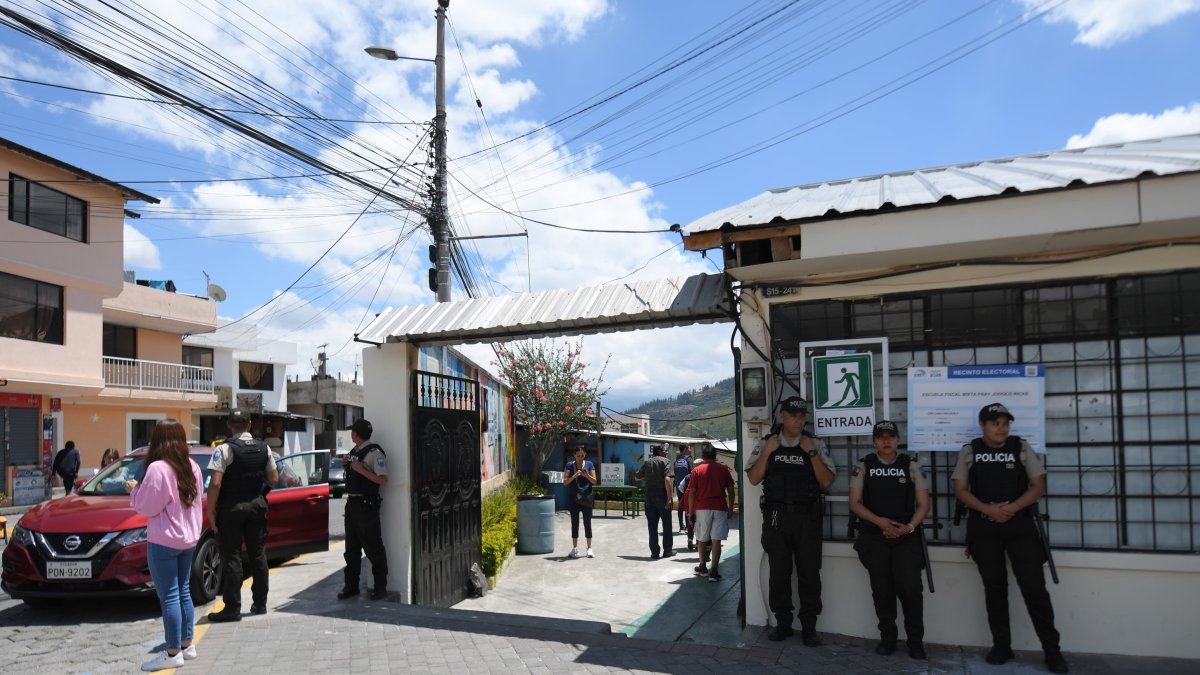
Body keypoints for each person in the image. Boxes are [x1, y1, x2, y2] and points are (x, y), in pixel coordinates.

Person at [953, 403, 1068, 674]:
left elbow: (1038, 485)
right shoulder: (970, 450)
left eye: (1005, 423)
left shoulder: (1020, 447)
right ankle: (1001, 646)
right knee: (995, 589)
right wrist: (989, 509)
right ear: (983, 425)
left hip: (1020, 526)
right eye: (996, 423)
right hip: (984, 527)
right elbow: (960, 489)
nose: (1002, 428)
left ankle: (1052, 651)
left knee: (1034, 588)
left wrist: (1012, 508)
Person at [746, 396, 835, 646]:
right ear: (782, 416)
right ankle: (783, 623)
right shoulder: (766, 443)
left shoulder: (814, 443)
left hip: (807, 517)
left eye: (802, 415)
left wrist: (812, 454)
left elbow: (827, 482)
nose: (798, 419)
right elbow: (753, 478)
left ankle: (809, 627)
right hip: (777, 518)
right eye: (793, 415)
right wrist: (768, 453)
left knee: (809, 574)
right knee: (779, 574)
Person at [849, 420, 929, 660]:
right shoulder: (864, 465)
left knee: (911, 589)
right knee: (882, 591)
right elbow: (854, 503)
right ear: (874, 441)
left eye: (890, 437)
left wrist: (908, 528)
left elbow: (924, 504)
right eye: (881, 437)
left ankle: (915, 642)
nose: (886, 441)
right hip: (875, 536)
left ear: (898, 440)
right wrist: (880, 522)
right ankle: (888, 639)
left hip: (906, 536)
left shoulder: (912, 465)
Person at [126, 419, 203, 671]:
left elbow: (147, 506)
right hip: (188, 539)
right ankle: (186, 644)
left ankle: (172, 653)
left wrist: (134, 491)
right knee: (183, 592)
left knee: (169, 595)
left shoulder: (158, 468)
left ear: (157, 440)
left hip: (164, 540)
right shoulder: (192, 466)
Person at [205, 408, 277, 622]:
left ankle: (232, 608)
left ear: (228, 425)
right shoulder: (264, 448)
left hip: (232, 509)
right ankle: (261, 603)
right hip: (256, 507)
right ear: (249, 425)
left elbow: (216, 483)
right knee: (258, 555)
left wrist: (210, 511)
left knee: (232, 557)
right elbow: (273, 478)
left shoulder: (224, 449)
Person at [339, 418, 390, 601]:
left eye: (352, 431)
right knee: (351, 549)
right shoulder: (355, 452)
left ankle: (380, 587)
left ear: (356, 434)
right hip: (352, 505)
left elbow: (383, 480)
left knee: (373, 548)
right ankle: (351, 586)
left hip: (367, 506)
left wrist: (361, 470)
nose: (351, 434)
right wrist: (347, 465)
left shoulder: (375, 453)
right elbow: (353, 468)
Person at [687, 445, 734, 582]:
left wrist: (691, 512)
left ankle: (702, 567)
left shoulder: (697, 470)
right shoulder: (723, 469)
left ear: (703, 456)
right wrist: (730, 507)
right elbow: (730, 490)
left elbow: (692, 493)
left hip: (702, 507)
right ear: (715, 455)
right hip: (720, 507)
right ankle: (714, 571)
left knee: (701, 538)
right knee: (716, 540)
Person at [634, 444, 674, 559]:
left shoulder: (647, 463)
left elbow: (637, 477)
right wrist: (669, 497)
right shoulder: (666, 461)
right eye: (664, 450)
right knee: (666, 525)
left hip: (649, 496)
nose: (666, 452)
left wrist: (647, 475)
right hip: (662, 495)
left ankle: (654, 553)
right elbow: (667, 479)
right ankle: (667, 551)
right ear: (660, 451)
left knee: (652, 526)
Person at [564, 445, 596, 558]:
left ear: (585, 455)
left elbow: (595, 481)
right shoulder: (569, 465)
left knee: (587, 522)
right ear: (574, 455)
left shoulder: (589, 464)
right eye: (578, 456)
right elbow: (565, 482)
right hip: (574, 499)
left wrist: (586, 475)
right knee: (575, 523)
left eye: (582, 455)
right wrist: (574, 476)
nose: (580, 458)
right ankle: (575, 548)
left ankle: (589, 549)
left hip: (586, 498)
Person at [673, 444, 694, 550]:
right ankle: (687, 526)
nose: (690, 450)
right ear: (685, 449)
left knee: (680, 506)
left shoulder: (677, 460)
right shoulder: (689, 459)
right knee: (687, 506)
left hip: (678, 486)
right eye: (689, 448)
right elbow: (692, 474)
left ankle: (681, 525)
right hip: (687, 486)